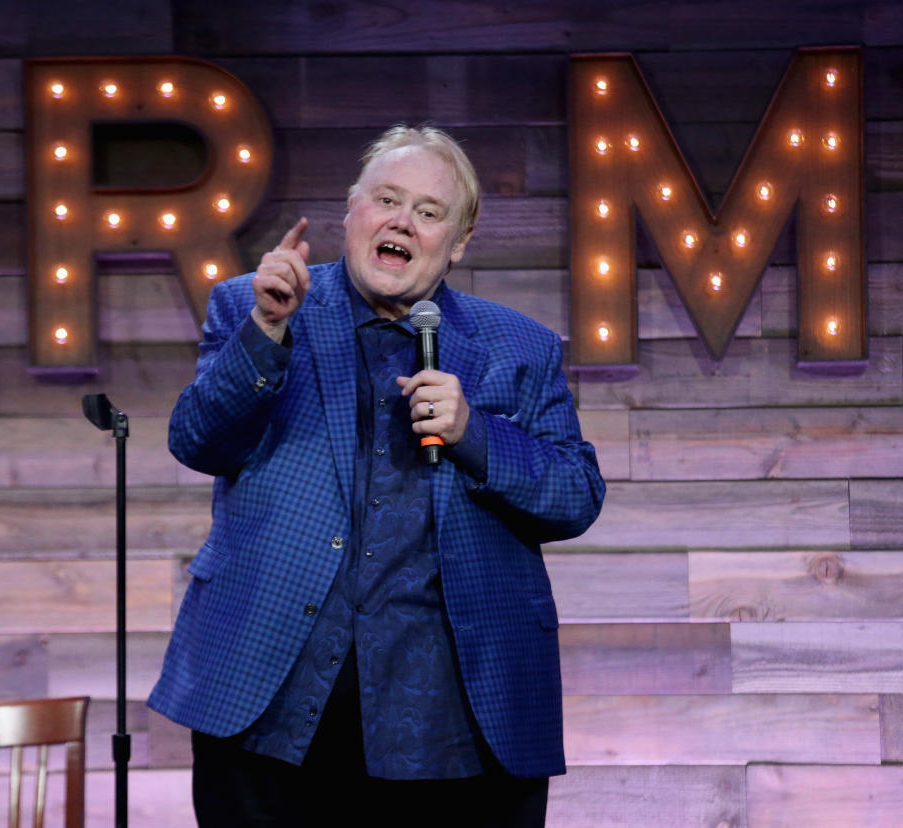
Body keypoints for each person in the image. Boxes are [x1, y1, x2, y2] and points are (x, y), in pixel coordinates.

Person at [148, 125, 605, 827]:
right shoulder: (258, 305)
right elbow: (198, 440)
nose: (402, 221)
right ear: (351, 212)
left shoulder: (520, 347)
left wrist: (474, 433)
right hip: (273, 698)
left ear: (458, 241)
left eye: (428, 211)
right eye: (387, 199)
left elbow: (575, 496)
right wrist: (267, 332)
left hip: (454, 717)